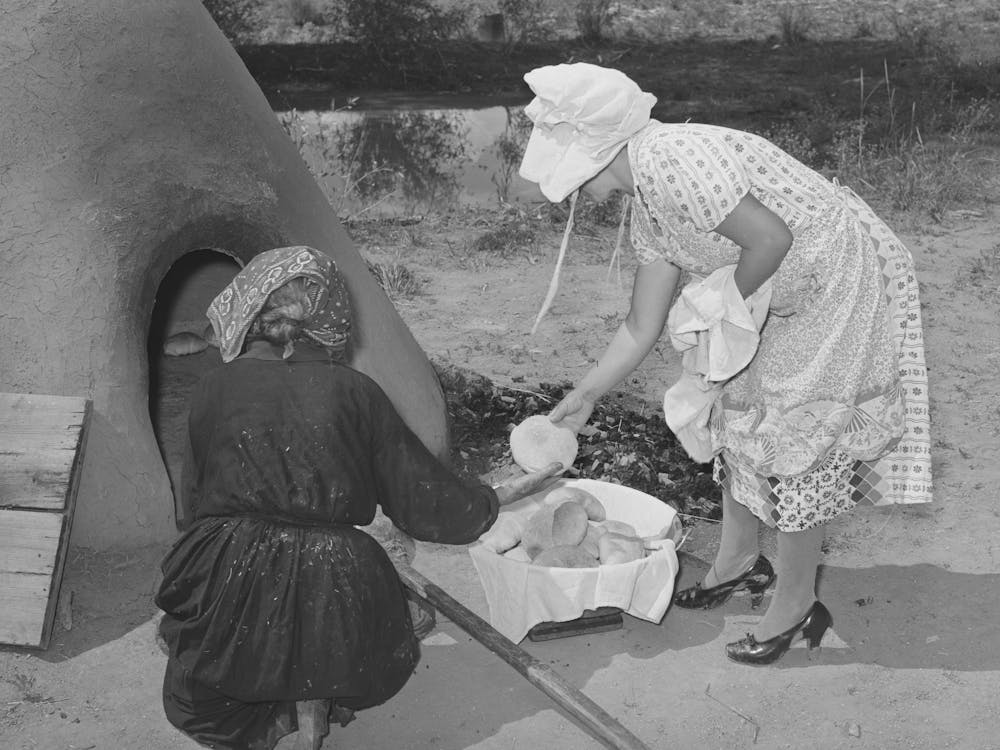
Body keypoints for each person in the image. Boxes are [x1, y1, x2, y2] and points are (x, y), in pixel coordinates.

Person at [518, 63, 931, 665]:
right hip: (764, 290)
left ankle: (796, 603)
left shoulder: (671, 159)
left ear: (594, 151)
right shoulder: (647, 206)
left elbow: (770, 239)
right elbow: (641, 324)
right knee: (734, 413)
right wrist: (584, 397)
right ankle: (738, 560)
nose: (575, 191)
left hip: (826, 281)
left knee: (794, 437)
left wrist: (720, 312)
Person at [155, 246, 562, 750]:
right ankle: (309, 695)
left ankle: (279, 702)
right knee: (349, 628)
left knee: (204, 691)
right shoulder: (355, 391)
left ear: (253, 311)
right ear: (330, 318)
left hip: (234, 564)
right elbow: (421, 502)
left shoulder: (214, 388)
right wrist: (490, 501)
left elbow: (193, 507)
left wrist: (216, 578)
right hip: (335, 579)